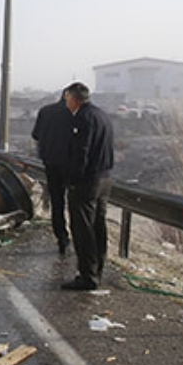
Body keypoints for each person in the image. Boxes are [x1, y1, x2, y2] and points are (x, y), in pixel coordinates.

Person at [60, 82, 114, 291]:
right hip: (105, 179)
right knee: (98, 226)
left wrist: (73, 179)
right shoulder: (102, 115)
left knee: (82, 229)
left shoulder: (82, 119)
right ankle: (97, 270)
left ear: (73, 98)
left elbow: (81, 152)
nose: (66, 105)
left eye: (67, 100)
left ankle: (87, 276)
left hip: (87, 182)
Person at [32, 89, 73, 254]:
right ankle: (77, 238)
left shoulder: (45, 111)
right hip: (72, 164)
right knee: (76, 203)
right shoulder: (74, 114)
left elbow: (36, 135)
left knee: (57, 201)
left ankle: (62, 237)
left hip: (50, 162)